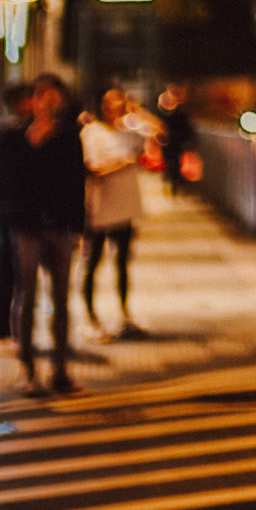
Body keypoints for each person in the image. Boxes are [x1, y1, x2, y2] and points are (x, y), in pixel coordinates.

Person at [10, 73, 86, 395]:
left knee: (61, 300)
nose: (47, 102)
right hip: (27, 228)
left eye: (53, 97)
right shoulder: (13, 137)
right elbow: (4, 184)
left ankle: (60, 369)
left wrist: (78, 227)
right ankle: (28, 369)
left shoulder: (69, 137)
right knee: (27, 298)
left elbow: (75, 184)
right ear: (31, 100)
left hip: (60, 228)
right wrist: (31, 146)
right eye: (41, 95)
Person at [80, 87, 147, 338]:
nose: (114, 106)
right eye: (109, 102)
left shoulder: (129, 131)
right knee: (93, 263)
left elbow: (161, 132)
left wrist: (137, 111)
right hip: (99, 209)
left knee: (122, 264)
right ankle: (91, 317)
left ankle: (124, 314)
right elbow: (93, 169)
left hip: (126, 208)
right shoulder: (91, 133)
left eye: (119, 102)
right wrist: (123, 163)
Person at [0, 81, 33, 352]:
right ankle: (5, 329)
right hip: (10, 210)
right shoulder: (11, 132)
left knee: (11, 271)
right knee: (10, 272)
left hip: (5, 208)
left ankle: (7, 328)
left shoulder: (4, 131)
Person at [156, 81, 200, 193]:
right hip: (169, 144)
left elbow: (187, 129)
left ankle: (174, 185)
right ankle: (172, 183)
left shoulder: (179, 114)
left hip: (176, 144)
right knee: (170, 164)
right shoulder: (164, 112)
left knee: (175, 164)